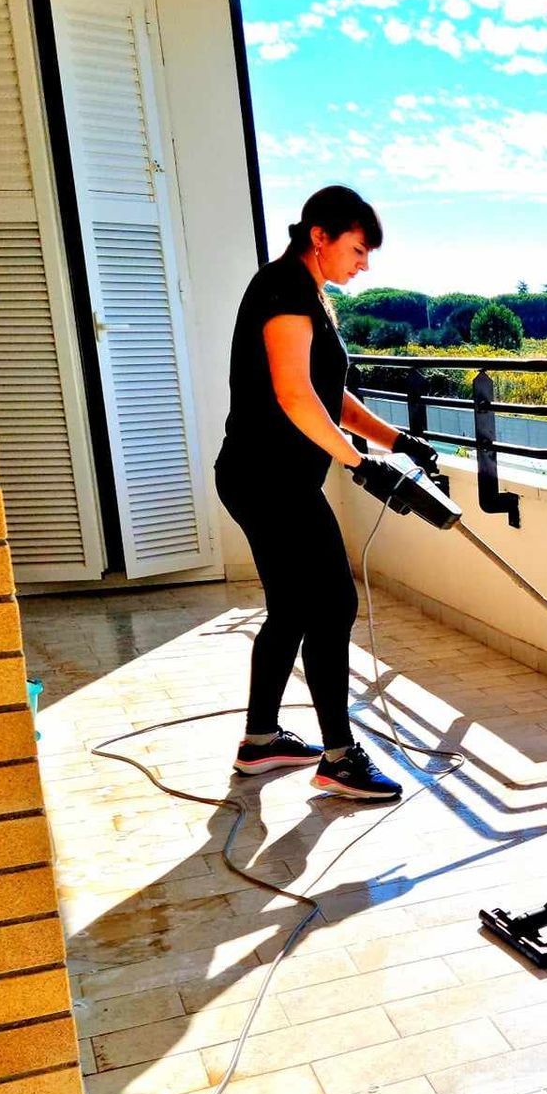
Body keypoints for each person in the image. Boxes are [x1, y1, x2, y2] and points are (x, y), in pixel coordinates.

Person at [214, 185, 438, 801]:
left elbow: (328, 396)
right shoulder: (285, 289)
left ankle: (260, 743)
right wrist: (358, 465)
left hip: (265, 475)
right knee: (332, 603)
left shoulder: (304, 292)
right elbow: (293, 395)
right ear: (321, 236)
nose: (364, 264)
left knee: (292, 608)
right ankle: (339, 757)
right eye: (359, 249)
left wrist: (396, 441)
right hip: (270, 478)